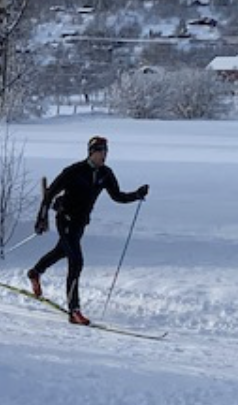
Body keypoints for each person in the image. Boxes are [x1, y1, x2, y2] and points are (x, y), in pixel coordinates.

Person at [28, 136, 148, 326]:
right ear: (91, 152)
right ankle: (74, 310)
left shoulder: (106, 174)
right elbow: (50, 193)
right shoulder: (74, 171)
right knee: (76, 261)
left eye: (106, 151)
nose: (104, 155)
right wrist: (41, 218)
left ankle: (35, 272)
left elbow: (117, 196)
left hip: (80, 223)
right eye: (101, 151)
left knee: (61, 252)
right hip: (65, 220)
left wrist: (136, 195)